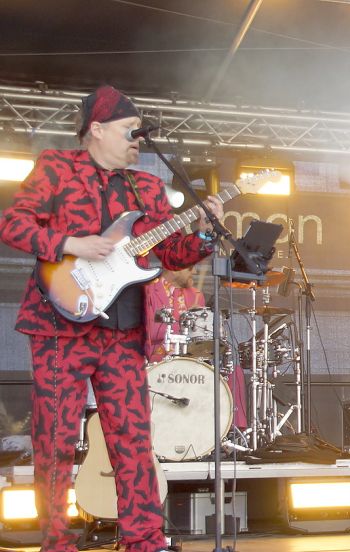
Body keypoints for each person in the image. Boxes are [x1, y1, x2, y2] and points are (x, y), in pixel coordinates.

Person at [0, 85, 224, 552]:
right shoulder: (57, 168)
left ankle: (144, 539)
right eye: (129, 130)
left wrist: (202, 234)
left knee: (134, 440)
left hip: (123, 332)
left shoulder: (145, 186)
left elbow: (168, 253)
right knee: (55, 438)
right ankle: (57, 539)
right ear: (95, 130)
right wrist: (70, 244)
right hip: (60, 325)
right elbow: (12, 223)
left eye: (140, 133)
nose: (138, 139)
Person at [144, 266, 205, 363]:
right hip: (154, 365)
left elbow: (201, 340)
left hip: (188, 364)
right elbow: (147, 333)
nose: (194, 271)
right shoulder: (148, 290)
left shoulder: (196, 295)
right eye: (190, 267)